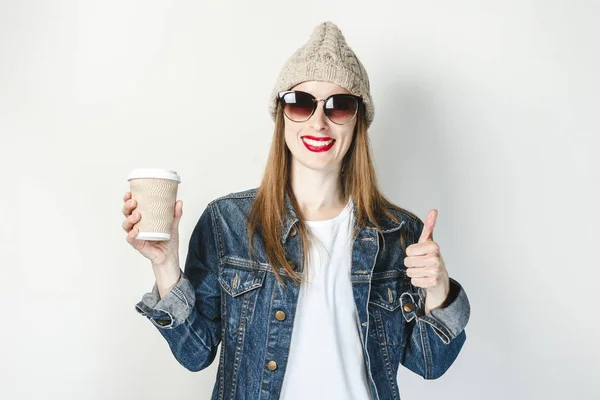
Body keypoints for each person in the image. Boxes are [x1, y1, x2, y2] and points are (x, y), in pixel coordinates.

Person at [121, 21, 470, 400]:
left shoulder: (399, 233)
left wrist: (439, 289)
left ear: (358, 122)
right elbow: (196, 353)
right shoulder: (228, 223)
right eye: (300, 103)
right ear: (282, 115)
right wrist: (165, 265)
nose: (318, 122)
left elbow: (430, 364)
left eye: (339, 106)